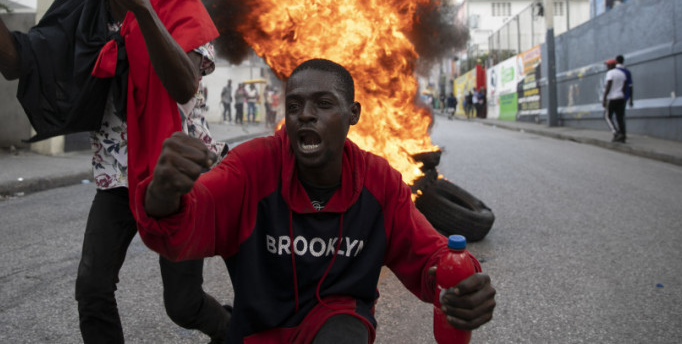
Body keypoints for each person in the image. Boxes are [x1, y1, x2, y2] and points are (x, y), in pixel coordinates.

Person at [0, 0, 230, 343]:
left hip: (177, 176)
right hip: (117, 179)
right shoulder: (81, 11)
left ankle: (234, 331)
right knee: (92, 289)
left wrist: (140, 6)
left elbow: (184, 84)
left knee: (183, 305)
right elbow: (14, 62)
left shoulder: (175, 0)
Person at [137, 59, 496, 342]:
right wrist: (164, 191)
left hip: (340, 323)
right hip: (259, 332)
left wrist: (465, 284)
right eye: (294, 106)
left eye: (323, 104)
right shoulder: (252, 167)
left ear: (353, 115)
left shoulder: (379, 181)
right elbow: (182, 225)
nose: (305, 114)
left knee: (342, 327)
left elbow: (430, 256)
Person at [603, 58, 628, 143]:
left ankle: (616, 133)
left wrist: (604, 98)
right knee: (620, 117)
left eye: (607, 65)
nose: (606, 66)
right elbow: (624, 87)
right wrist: (623, 96)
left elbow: (608, 86)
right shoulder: (622, 73)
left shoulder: (610, 73)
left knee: (607, 116)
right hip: (621, 97)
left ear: (611, 65)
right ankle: (623, 135)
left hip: (612, 98)